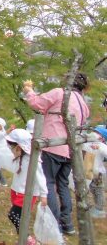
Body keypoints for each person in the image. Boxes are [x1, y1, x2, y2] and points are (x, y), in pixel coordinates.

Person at [23, 74, 91, 235]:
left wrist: (29, 91)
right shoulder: (83, 102)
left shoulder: (59, 93)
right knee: (63, 185)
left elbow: (37, 104)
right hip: (70, 150)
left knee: (49, 184)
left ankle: (54, 225)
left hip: (52, 146)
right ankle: (67, 223)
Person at [2, 129, 49, 241]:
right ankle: (23, 238)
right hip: (17, 190)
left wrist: (44, 194)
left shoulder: (32, 160)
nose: (11, 150)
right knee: (20, 217)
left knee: (13, 215)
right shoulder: (20, 157)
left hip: (26, 193)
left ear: (18, 147)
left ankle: (28, 239)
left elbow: (41, 177)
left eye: (11, 147)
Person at [82, 127, 107, 218]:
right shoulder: (102, 146)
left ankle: (93, 207)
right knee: (98, 190)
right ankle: (97, 209)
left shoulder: (85, 142)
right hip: (96, 172)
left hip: (86, 170)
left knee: (90, 189)